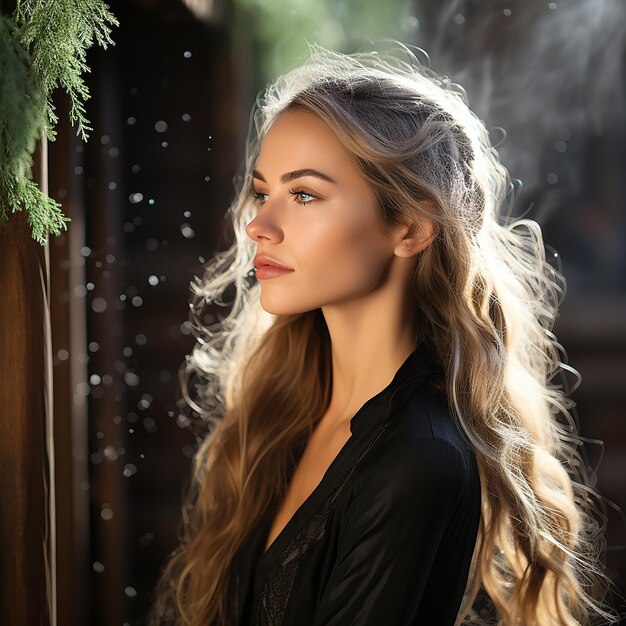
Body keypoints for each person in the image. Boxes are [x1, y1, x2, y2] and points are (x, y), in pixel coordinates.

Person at [147, 41, 619, 626]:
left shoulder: (416, 459)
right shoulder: (286, 411)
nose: (259, 225)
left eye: (304, 194)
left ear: (411, 227)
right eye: (263, 193)